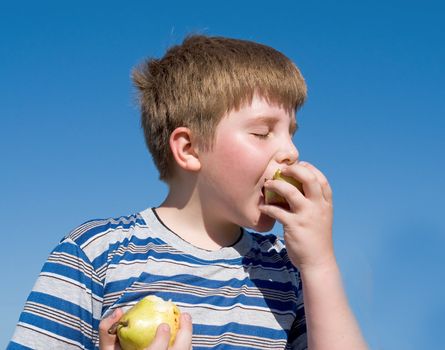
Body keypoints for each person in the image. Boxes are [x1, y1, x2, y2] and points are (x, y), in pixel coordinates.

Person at [8, 35, 367, 350]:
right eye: (262, 132)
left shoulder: (286, 271)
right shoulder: (97, 254)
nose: (291, 151)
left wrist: (319, 265)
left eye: (292, 131)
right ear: (189, 149)